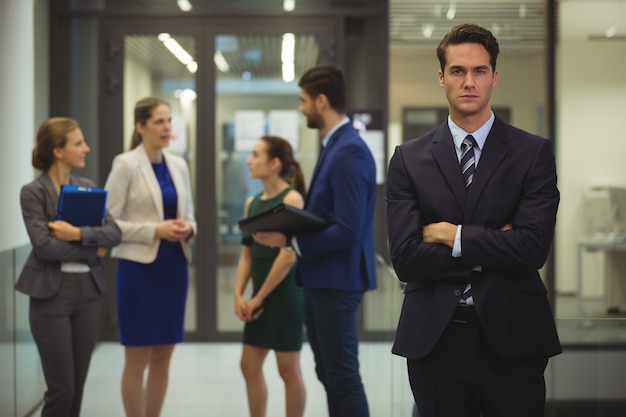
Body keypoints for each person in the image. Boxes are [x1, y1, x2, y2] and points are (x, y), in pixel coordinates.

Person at [385, 23, 561, 417]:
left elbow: (532, 248)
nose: (469, 81)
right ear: (441, 77)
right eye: (458, 71)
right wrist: (495, 243)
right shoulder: (408, 159)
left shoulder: (531, 153)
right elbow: (407, 259)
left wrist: (453, 236)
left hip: (514, 334)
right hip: (436, 336)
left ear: (494, 77)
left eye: (480, 71)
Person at [253, 64, 377, 417]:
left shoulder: (348, 150)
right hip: (323, 279)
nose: (301, 107)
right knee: (330, 374)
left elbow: (348, 230)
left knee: (342, 376)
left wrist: (292, 242)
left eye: (303, 100)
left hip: (337, 282)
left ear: (321, 101)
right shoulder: (335, 145)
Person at [16, 117, 122, 417]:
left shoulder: (88, 188)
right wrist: (93, 248)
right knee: (62, 390)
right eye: (78, 143)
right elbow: (45, 247)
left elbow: (114, 234)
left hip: (87, 294)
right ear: (58, 151)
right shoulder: (33, 193)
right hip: (51, 297)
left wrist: (76, 234)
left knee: (77, 389)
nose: (86, 148)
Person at [104, 97, 197, 417]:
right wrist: (153, 230)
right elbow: (109, 222)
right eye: (159, 122)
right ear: (140, 126)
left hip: (173, 268)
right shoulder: (125, 164)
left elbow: (191, 215)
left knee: (163, 356)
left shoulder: (179, 165)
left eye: (169, 121)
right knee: (137, 358)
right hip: (139, 270)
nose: (167, 128)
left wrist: (189, 228)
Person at [234, 135, 307, 417]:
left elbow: (288, 254)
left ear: (274, 163)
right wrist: (240, 294)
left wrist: (258, 298)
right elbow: (247, 253)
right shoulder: (251, 203)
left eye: (255, 155)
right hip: (257, 298)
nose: (249, 160)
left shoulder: (291, 198)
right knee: (249, 365)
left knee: (288, 369)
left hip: (285, 294)